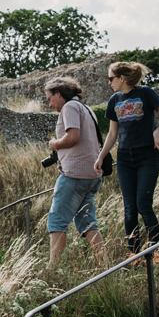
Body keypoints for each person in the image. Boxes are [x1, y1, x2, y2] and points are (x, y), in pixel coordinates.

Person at [94, 62, 159, 255]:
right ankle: (133, 255)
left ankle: (155, 253)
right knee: (130, 208)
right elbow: (112, 134)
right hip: (125, 158)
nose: (109, 82)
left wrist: (158, 131)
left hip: (148, 156)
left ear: (122, 78)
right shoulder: (114, 99)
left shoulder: (145, 93)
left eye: (111, 78)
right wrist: (101, 157)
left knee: (143, 204)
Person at [43, 76, 108, 268]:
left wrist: (54, 144)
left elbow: (73, 137)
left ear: (58, 93)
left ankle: (53, 270)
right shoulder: (86, 108)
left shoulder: (69, 107)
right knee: (88, 222)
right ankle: (105, 265)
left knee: (57, 221)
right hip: (92, 175)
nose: (49, 105)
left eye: (49, 99)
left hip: (74, 176)